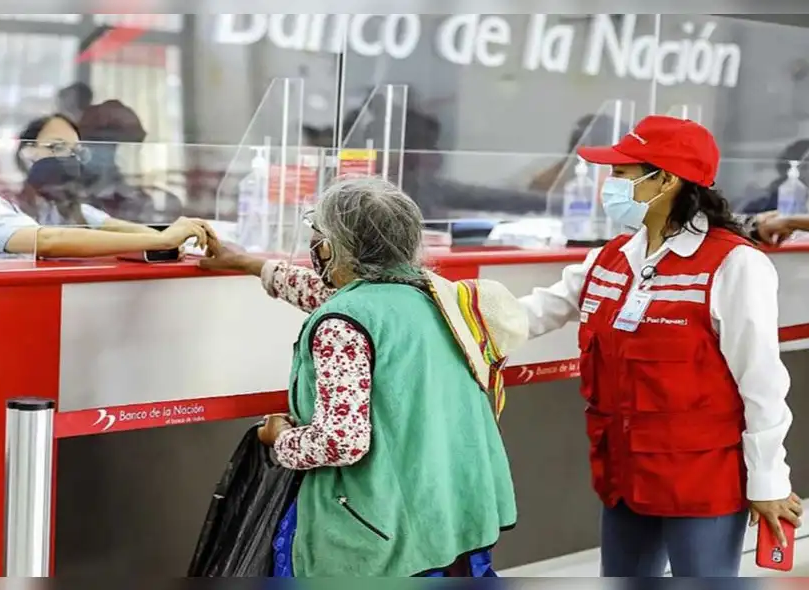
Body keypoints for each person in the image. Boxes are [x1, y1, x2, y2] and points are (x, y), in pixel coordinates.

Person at [199, 175, 529, 577]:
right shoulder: (435, 296)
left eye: (319, 236)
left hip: (380, 527)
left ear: (339, 247)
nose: (314, 247)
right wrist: (248, 263)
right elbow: (329, 294)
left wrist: (278, 438)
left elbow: (340, 442)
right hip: (449, 510)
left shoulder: (342, 324)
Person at [519, 115, 802, 578]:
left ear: (666, 179)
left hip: (701, 482)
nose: (608, 185)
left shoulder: (733, 265)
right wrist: (447, 311)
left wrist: (769, 479)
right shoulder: (611, 257)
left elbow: (762, 383)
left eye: (621, 174)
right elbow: (536, 311)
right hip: (625, 476)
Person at [0, 113, 212, 257]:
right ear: (26, 153)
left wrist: (178, 239)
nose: (67, 158)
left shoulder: (68, 209)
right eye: (57, 147)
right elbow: (48, 241)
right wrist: (164, 238)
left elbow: (119, 230)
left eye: (75, 151)